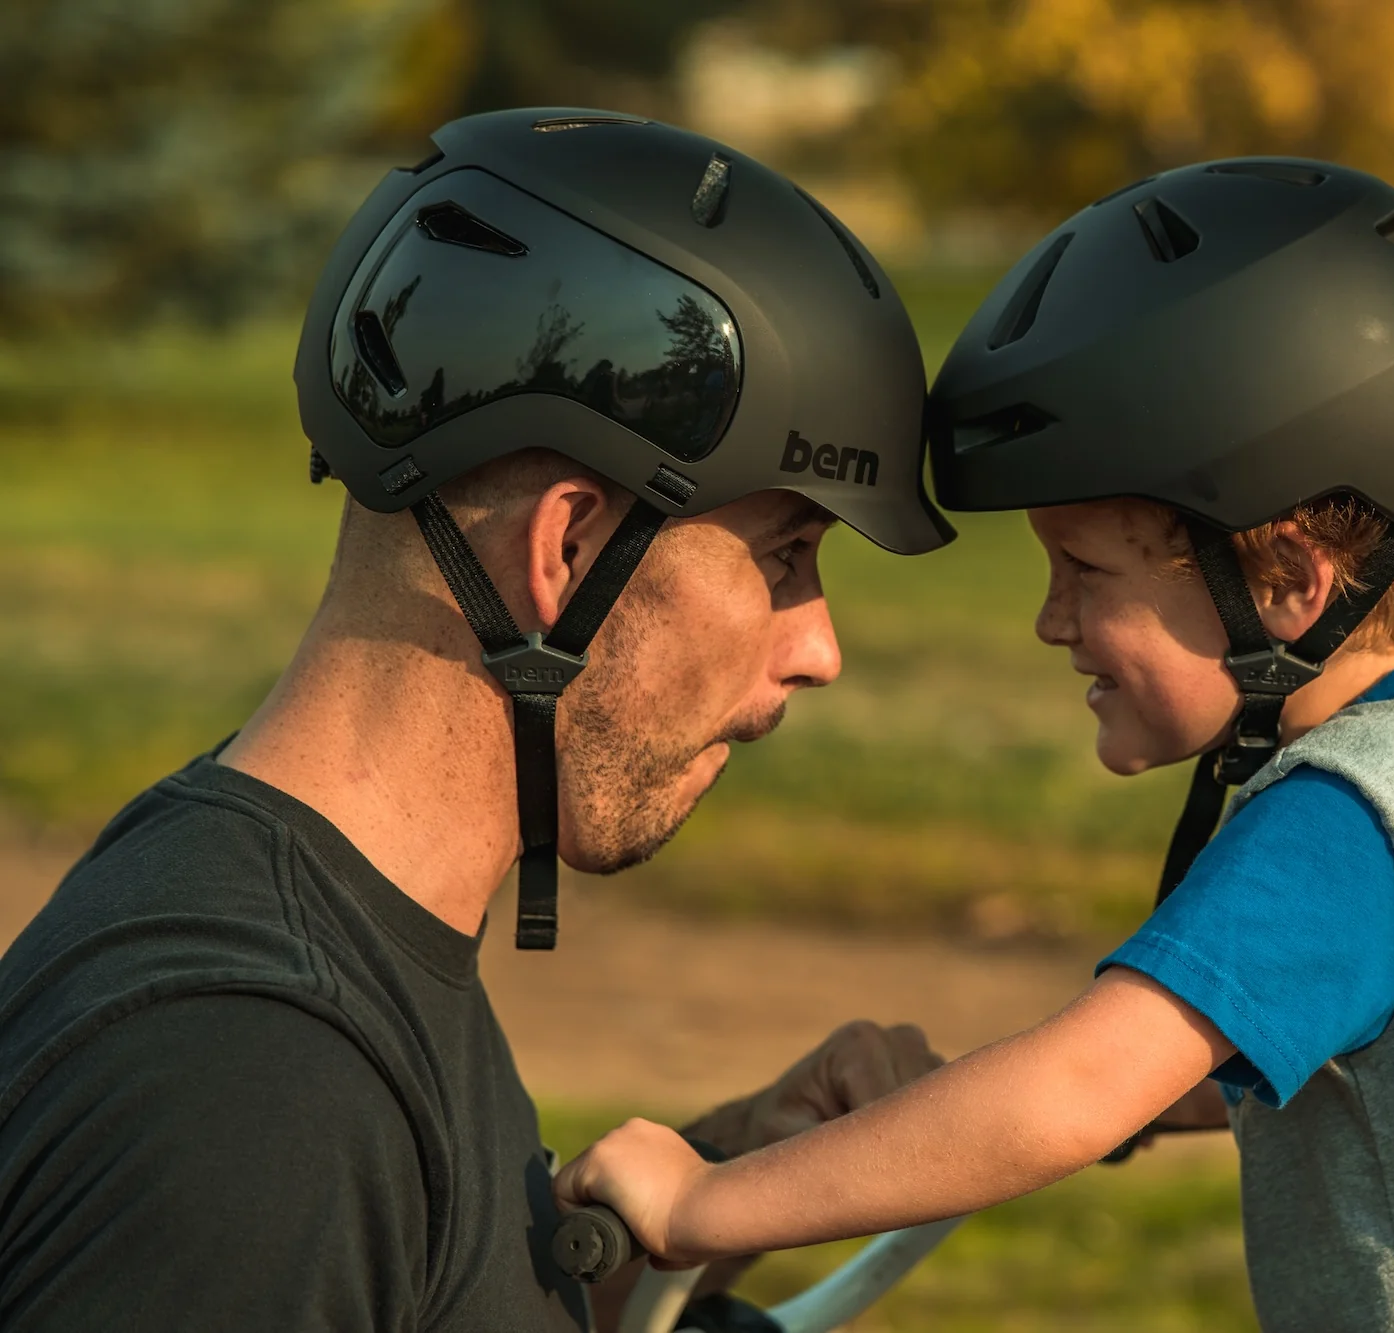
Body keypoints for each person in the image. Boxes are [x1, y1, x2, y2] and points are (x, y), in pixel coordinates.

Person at [556, 159, 1394, 1331]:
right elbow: (1372, 1067)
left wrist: (706, 1198)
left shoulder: (1342, 822)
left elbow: (1071, 1093)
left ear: (1288, 579)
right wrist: (970, 1108)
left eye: (1083, 570)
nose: (1048, 621)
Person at [0, 110, 953, 1331]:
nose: (817, 649)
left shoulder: (324, 944)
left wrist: (737, 1174)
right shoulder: (257, 1088)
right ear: (565, 549)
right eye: (782, 557)